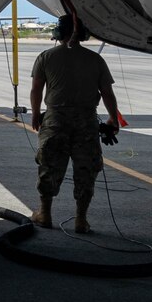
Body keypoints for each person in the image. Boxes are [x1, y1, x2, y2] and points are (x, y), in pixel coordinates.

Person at [29, 15, 125, 233]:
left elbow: (36, 89)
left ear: (57, 33)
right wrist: (112, 118)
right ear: (83, 34)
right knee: (86, 169)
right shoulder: (96, 60)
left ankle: (45, 213)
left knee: (49, 166)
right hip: (86, 121)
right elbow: (107, 93)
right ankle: (81, 219)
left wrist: (35, 114)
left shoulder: (45, 57)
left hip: (55, 119)